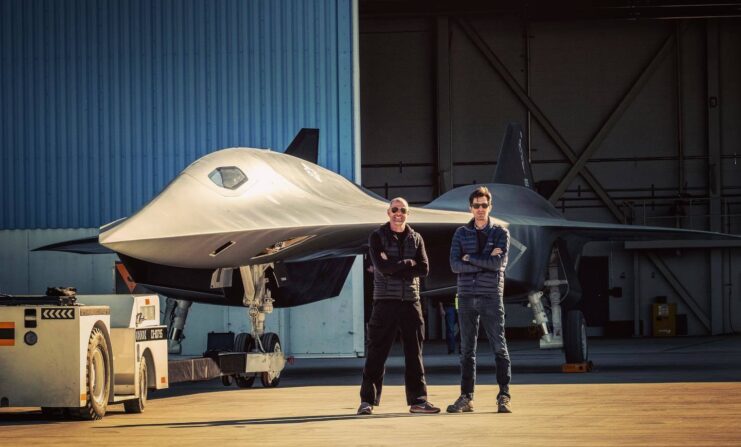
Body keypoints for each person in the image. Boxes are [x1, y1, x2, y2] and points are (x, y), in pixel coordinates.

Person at [357, 197, 441, 415]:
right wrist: (407, 263)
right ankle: (367, 401)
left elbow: (423, 269)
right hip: (385, 302)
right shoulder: (377, 237)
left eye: (403, 210)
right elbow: (382, 267)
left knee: (415, 354)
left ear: (408, 213)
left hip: (411, 302)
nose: (399, 213)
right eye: (395, 209)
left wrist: (395, 266)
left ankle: (418, 401)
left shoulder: (417, 238)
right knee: (377, 352)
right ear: (388, 212)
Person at [446, 186, 512, 414]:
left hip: (491, 296)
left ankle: (504, 394)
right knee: (466, 350)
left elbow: (498, 264)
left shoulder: (501, 233)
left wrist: (470, 258)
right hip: (465, 297)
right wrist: (484, 259)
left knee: (499, 346)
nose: (481, 209)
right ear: (470, 208)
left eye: (484, 205)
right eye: (476, 206)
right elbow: (455, 265)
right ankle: (466, 397)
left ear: (490, 207)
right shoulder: (461, 233)